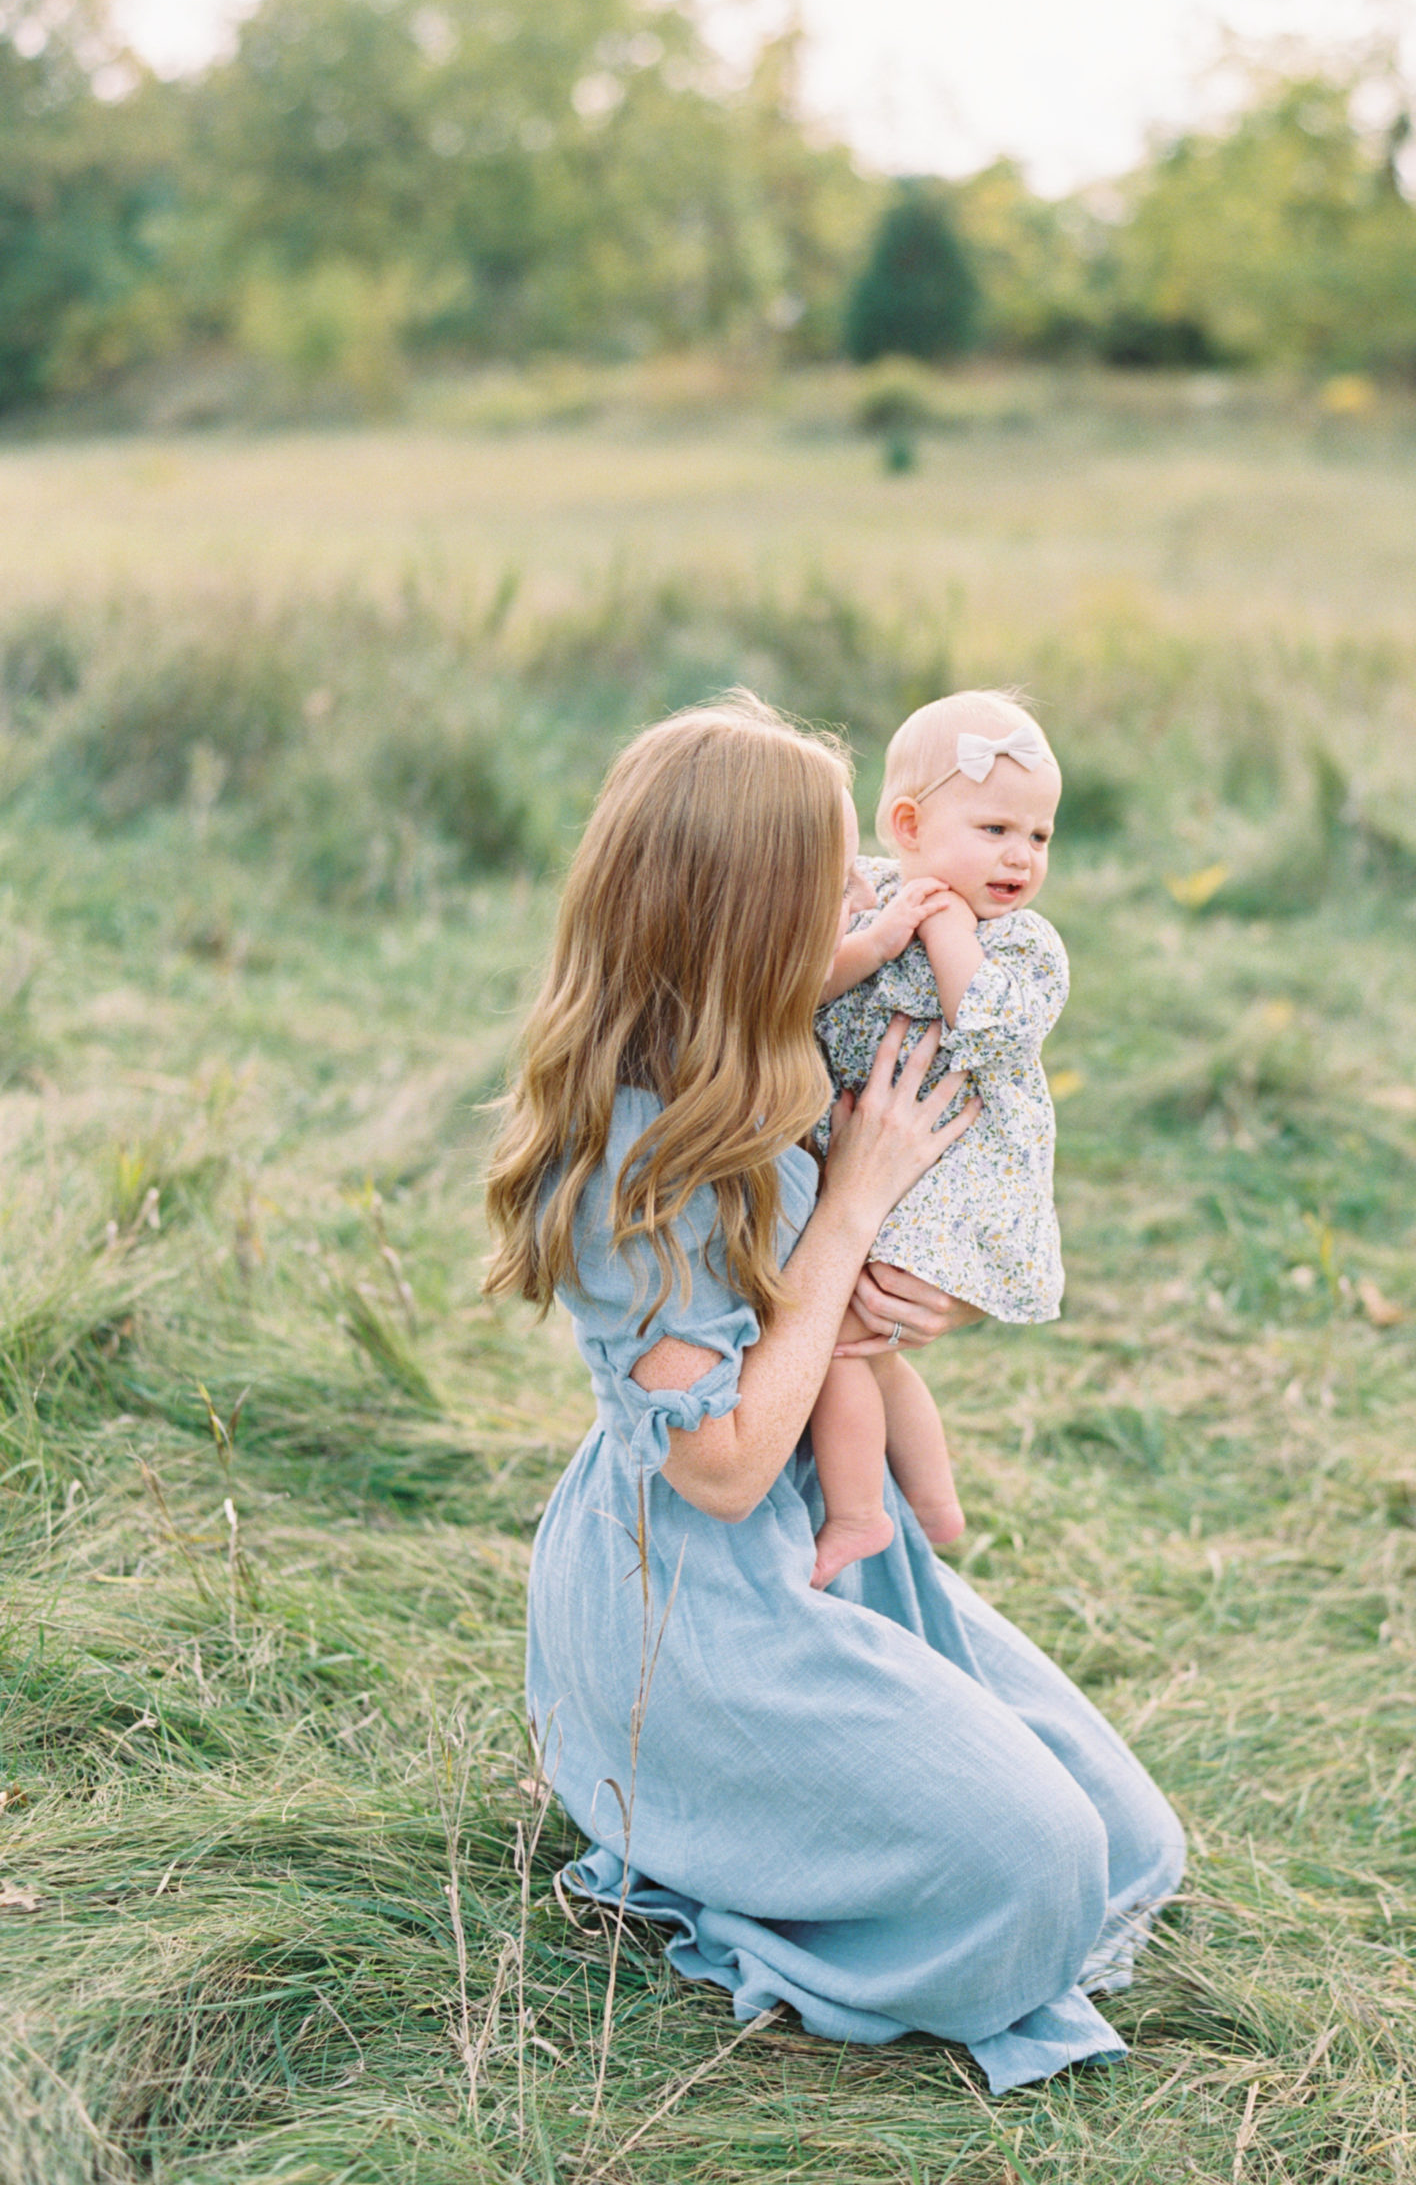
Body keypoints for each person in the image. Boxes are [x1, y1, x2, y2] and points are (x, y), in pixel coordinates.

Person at [485, 692, 1183, 2093]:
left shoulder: (785, 1037)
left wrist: (917, 1293)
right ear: (741, 915)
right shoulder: (627, 1160)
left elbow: (849, 1289)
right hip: (698, 1602)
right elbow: (725, 1466)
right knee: (1037, 1874)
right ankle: (682, 1817)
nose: (859, 900)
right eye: (827, 884)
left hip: (824, 1537)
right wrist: (854, 1206)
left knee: (1128, 1845)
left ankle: (832, 1813)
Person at [808, 691, 1066, 1588]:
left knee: (836, 1337)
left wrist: (950, 927)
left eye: (1039, 836)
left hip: (956, 1178)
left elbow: (992, 1032)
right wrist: (884, 933)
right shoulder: (869, 894)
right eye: (995, 829)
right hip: (867, 1159)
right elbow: (804, 985)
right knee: (870, 1353)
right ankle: (935, 1503)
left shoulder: (1022, 946)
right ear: (909, 826)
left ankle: (858, 1515)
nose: (1021, 856)